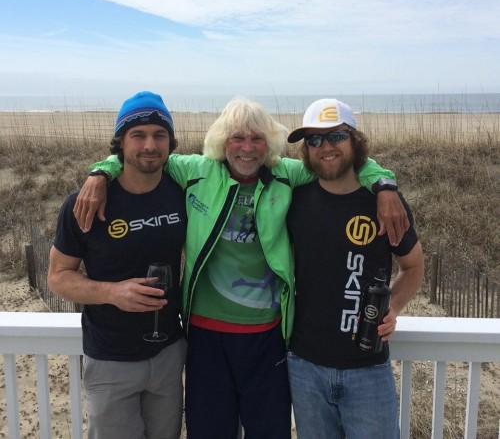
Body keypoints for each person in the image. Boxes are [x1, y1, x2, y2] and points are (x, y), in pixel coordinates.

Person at [73, 96, 409, 439]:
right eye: (237, 137)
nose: (247, 148)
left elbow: (341, 162)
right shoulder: (195, 171)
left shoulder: (286, 175)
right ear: (222, 141)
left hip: (267, 337)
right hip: (205, 337)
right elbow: (142, 156)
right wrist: (101, 173)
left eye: (257, 138)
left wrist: (384, 185)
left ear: (270, 144)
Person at [47, 91, 188, 439]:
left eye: (159, 135)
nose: (149, 145)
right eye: (138, 135)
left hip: (169, 352)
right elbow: (58, 277)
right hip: (111, 358)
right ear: (120, 143)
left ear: (170, 142)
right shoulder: (85, 202)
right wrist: (112, 292)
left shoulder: (184, 191)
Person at [286, 98, 424, 439]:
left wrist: (392, 307)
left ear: (354, 141)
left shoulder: (384, 203)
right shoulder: (294, 199)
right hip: (305, 366)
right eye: (315, 140)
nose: (326, 147)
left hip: (368, 368)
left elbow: (413, 265)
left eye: (336, 136)